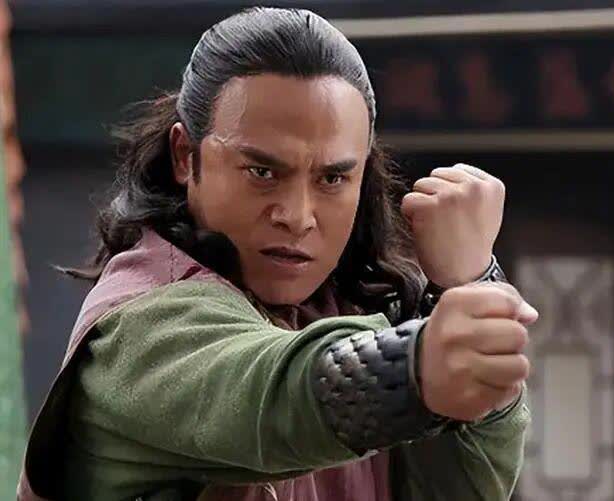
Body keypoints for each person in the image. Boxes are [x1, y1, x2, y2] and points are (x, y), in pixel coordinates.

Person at [18, 7, 537, 500]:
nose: (297, 215)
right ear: (185, 156)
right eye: (262, 172)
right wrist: (413, 366)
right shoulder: (142, 327)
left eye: (332, 178)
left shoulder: (356, 305)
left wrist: (466, 284)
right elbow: (270, 393)